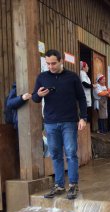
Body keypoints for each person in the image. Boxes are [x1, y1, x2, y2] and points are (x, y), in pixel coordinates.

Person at [32, 49, 87, 200]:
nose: (51, 66)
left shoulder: (72, 77)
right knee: (55, 154)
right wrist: (39, 95)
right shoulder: (42, 77)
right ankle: (59, 185)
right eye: (48, 63)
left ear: (61, 61)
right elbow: (35, 98)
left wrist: (83, 118)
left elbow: (81, 98)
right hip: (50, 122)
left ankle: (73, 186)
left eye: (54, 63)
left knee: (70, 153)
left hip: (69, 121)